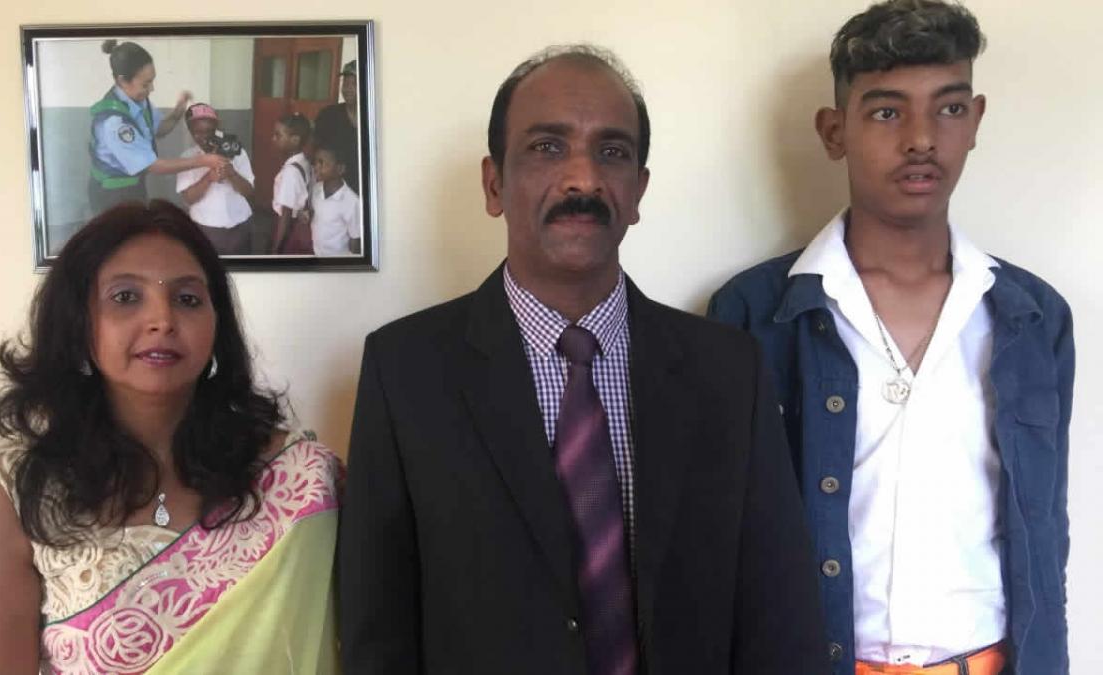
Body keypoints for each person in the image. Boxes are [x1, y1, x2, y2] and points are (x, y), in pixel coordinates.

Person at [338, 44, 827, 675]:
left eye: (612, 152)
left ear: (638, 191)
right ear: (494, 183)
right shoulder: (405, 371)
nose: (583, 180)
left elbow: (779, 609)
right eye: (547, 147)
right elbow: (378, 628)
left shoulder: (729, 370)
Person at [707, 2, 1074, 673]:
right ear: (834, 131)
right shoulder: (754, 314)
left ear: (976, 120)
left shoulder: (1034, 317)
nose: (922, 138)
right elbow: (723, 542)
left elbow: (1045, 533)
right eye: (886, 112)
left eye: (949, 108)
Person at [0, 201, 341, 674]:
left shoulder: (301, 479)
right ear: (78, 324)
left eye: (188, 299)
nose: (162, 319)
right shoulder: (15, 494)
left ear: (217, 325)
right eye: (126, 296)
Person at [89, 40, 229, 213]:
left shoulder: (138, 101)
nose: (151, 89)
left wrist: (179, 109)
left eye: (152, 81)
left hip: (134, 185)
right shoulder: (114, 123)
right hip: (112, 194)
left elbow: (160, 129)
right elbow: (154, 166)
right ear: (123, 81)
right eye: (145, 84)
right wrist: (203, 161)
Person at [177, 103, 256, 255]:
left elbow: (248, 192)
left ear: (217, 127)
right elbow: (189, 198)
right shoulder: (187, 158)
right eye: (197, 132)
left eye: (209, 131)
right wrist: (209, 178)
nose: (204, 137)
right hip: (205, 228)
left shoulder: (236, 152)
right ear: (190, 131)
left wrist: (232, 174)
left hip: (239, 225)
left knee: (241, 267)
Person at [270, 112, 316, 254]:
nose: (273, 138)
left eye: (278, 135)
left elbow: (286, 214)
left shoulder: (291, 172)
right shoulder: (304, 162)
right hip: (299, 223)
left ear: (295, 140)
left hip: (289, 229)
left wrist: (276, 249)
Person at [314, 59, 360, 194]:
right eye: (345, 83)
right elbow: (317, 152)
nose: (347, 88)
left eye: (354, 83)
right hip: (333, 190)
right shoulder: (328, 115)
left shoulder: (375, 118)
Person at [309, 142, 361, 256]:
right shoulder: (316, 189)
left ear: (340, 169)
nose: (316, 167)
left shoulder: (351, 201)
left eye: (321, 163)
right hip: (317, 254)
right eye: (315, 162)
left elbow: (355, 238)